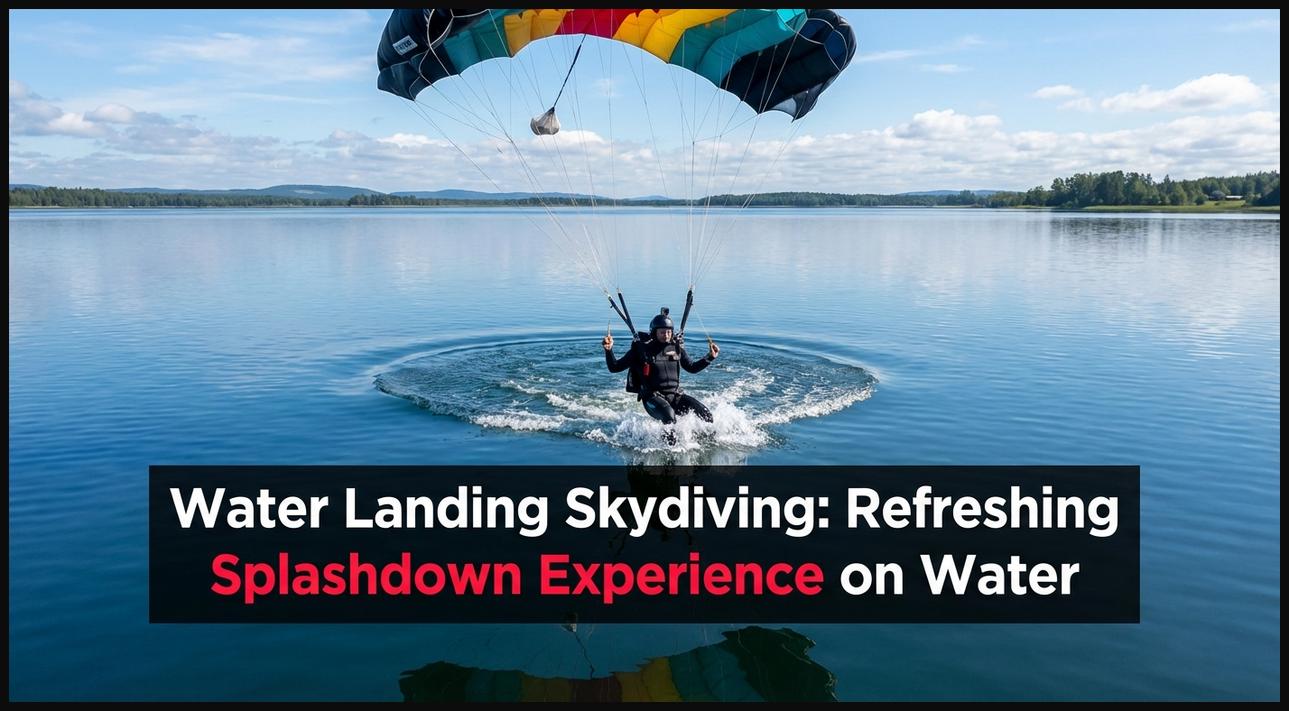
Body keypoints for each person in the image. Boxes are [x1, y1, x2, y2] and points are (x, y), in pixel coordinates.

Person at [604, 307, 719, 424]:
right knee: (669, 417)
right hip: (652, 398)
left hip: (675, 396)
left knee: (706, 415)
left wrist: (710, 357)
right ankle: (665, 442)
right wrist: (609, 350)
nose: (666, 335)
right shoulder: (641, 350)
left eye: (669, 332)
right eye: (662, 332)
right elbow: (614, 367)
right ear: (654, 332)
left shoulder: (676, 348)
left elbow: (692, 368)